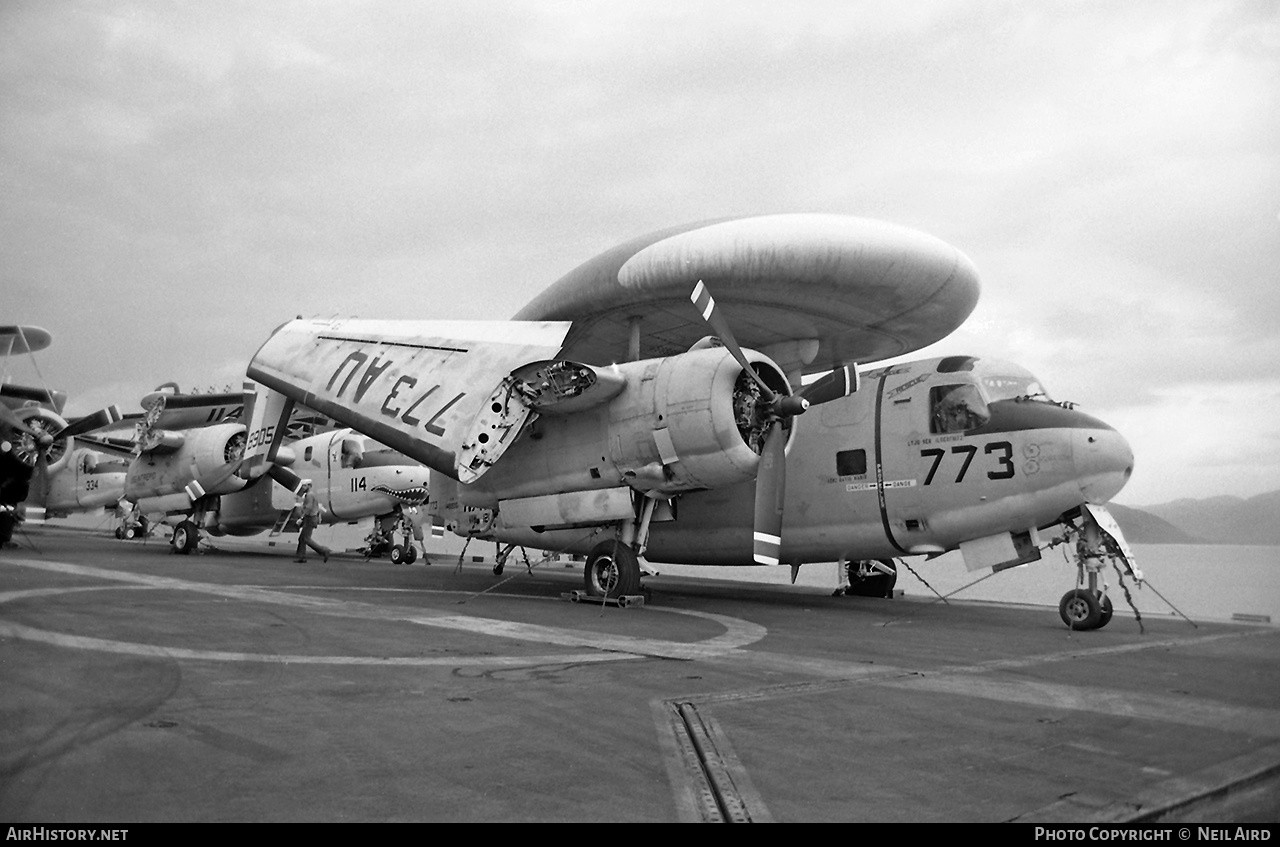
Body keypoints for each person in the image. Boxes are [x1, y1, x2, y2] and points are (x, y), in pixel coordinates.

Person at [294, 479, 330, 563]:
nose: (303, 487)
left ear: (309, 486)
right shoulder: (311, 494)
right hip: (311, 518)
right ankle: (301, 557)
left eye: (305, 486)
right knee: (302, 538)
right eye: (302, 486)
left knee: (306, 538)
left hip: (310, 518)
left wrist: (301, 518)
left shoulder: (309, 495)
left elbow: (308, 507)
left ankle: (324, 551)